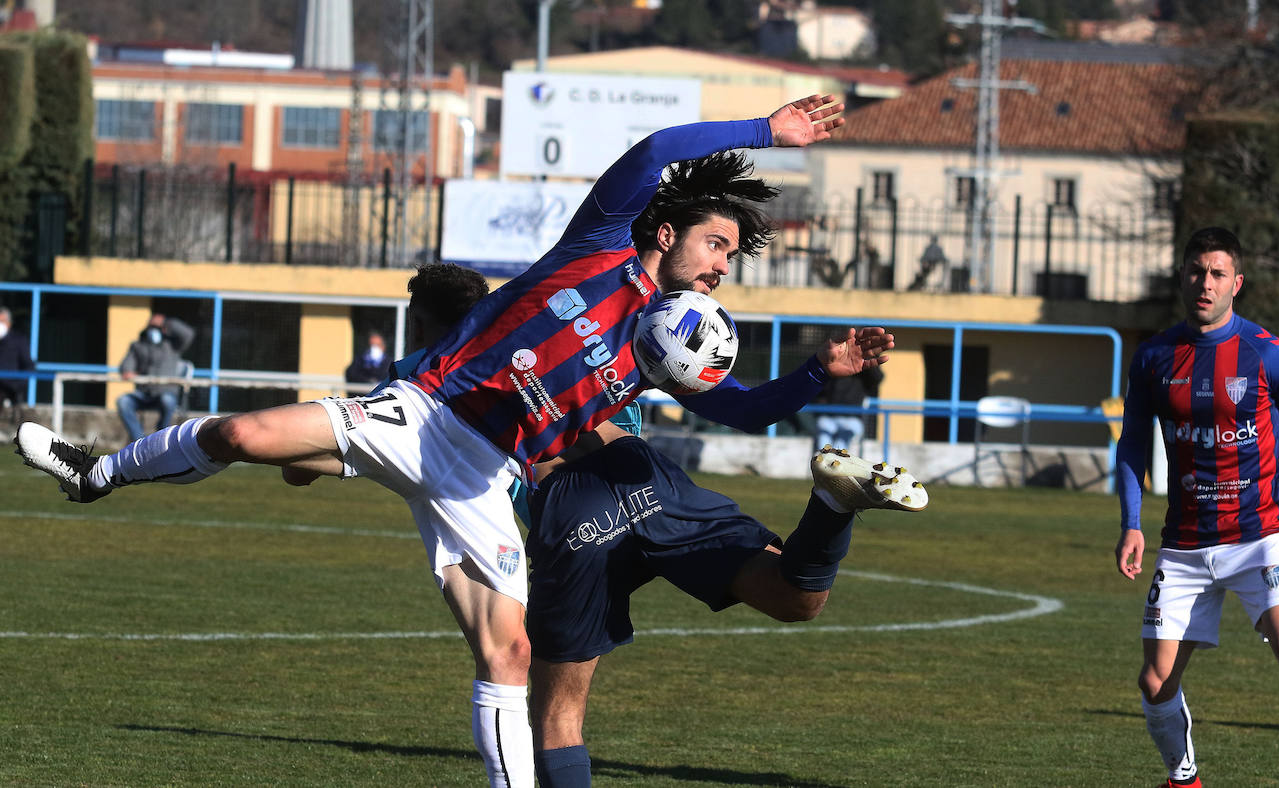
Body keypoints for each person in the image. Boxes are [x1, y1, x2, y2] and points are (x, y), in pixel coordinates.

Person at [17, 95, 853, 788]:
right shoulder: (598, 246)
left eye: (731, 256)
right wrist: (765, 131)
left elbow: (747, 411)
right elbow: (657, 148)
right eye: (717, 245)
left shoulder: (663, 350)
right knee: (242, 431)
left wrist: (821, 370)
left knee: (509, 653)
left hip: (483, 476)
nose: (722, 267)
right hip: (422, 413)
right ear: (666, 233)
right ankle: (95, 473)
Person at [522, 416, 926, 787]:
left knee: (559, 712)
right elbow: (729, 401)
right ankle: (831, 505)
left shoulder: (491, 369)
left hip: (569, 502)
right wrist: (814, 373)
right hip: (641, 472)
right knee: (795, 599)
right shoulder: (599, 361)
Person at [1114, 227, 1279, 788]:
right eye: (1196, 272)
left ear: (1237, 283)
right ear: (1182, 277)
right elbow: (1131, 443)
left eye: (1217, 274)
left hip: (1259, 538)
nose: (1205, 284)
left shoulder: (1266, 353)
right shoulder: (1153, 356)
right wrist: (1131, 523)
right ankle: (1184, 779)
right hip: (1184, 545)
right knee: (1154, 682)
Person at [116, 313, 196, 441]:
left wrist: (167, 322)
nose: (154, 330)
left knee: (167, 400)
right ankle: (139, 441)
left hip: (166, 393)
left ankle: (161, 437)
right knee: (123, 401)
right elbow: (126, 367)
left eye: (158, 327)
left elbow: (188, 334)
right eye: (152, 326)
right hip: (144, 394)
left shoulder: (173, 345)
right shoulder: (138, 346)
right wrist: (127, 371)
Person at [813, 360, 882, 454]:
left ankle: (834, 460)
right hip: (829, 417)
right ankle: (823, 460)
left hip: (852, 418)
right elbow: (819, 388)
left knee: (841, 444)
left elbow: (878, 378)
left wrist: (867, 359)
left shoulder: (863, 370)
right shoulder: (834, 364)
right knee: (823, 443)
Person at [0, 306, 36, 413]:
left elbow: (29, 366)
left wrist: (16, 386)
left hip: (10, 389)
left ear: (9, 323)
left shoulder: (19, 340)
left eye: (2, 321)